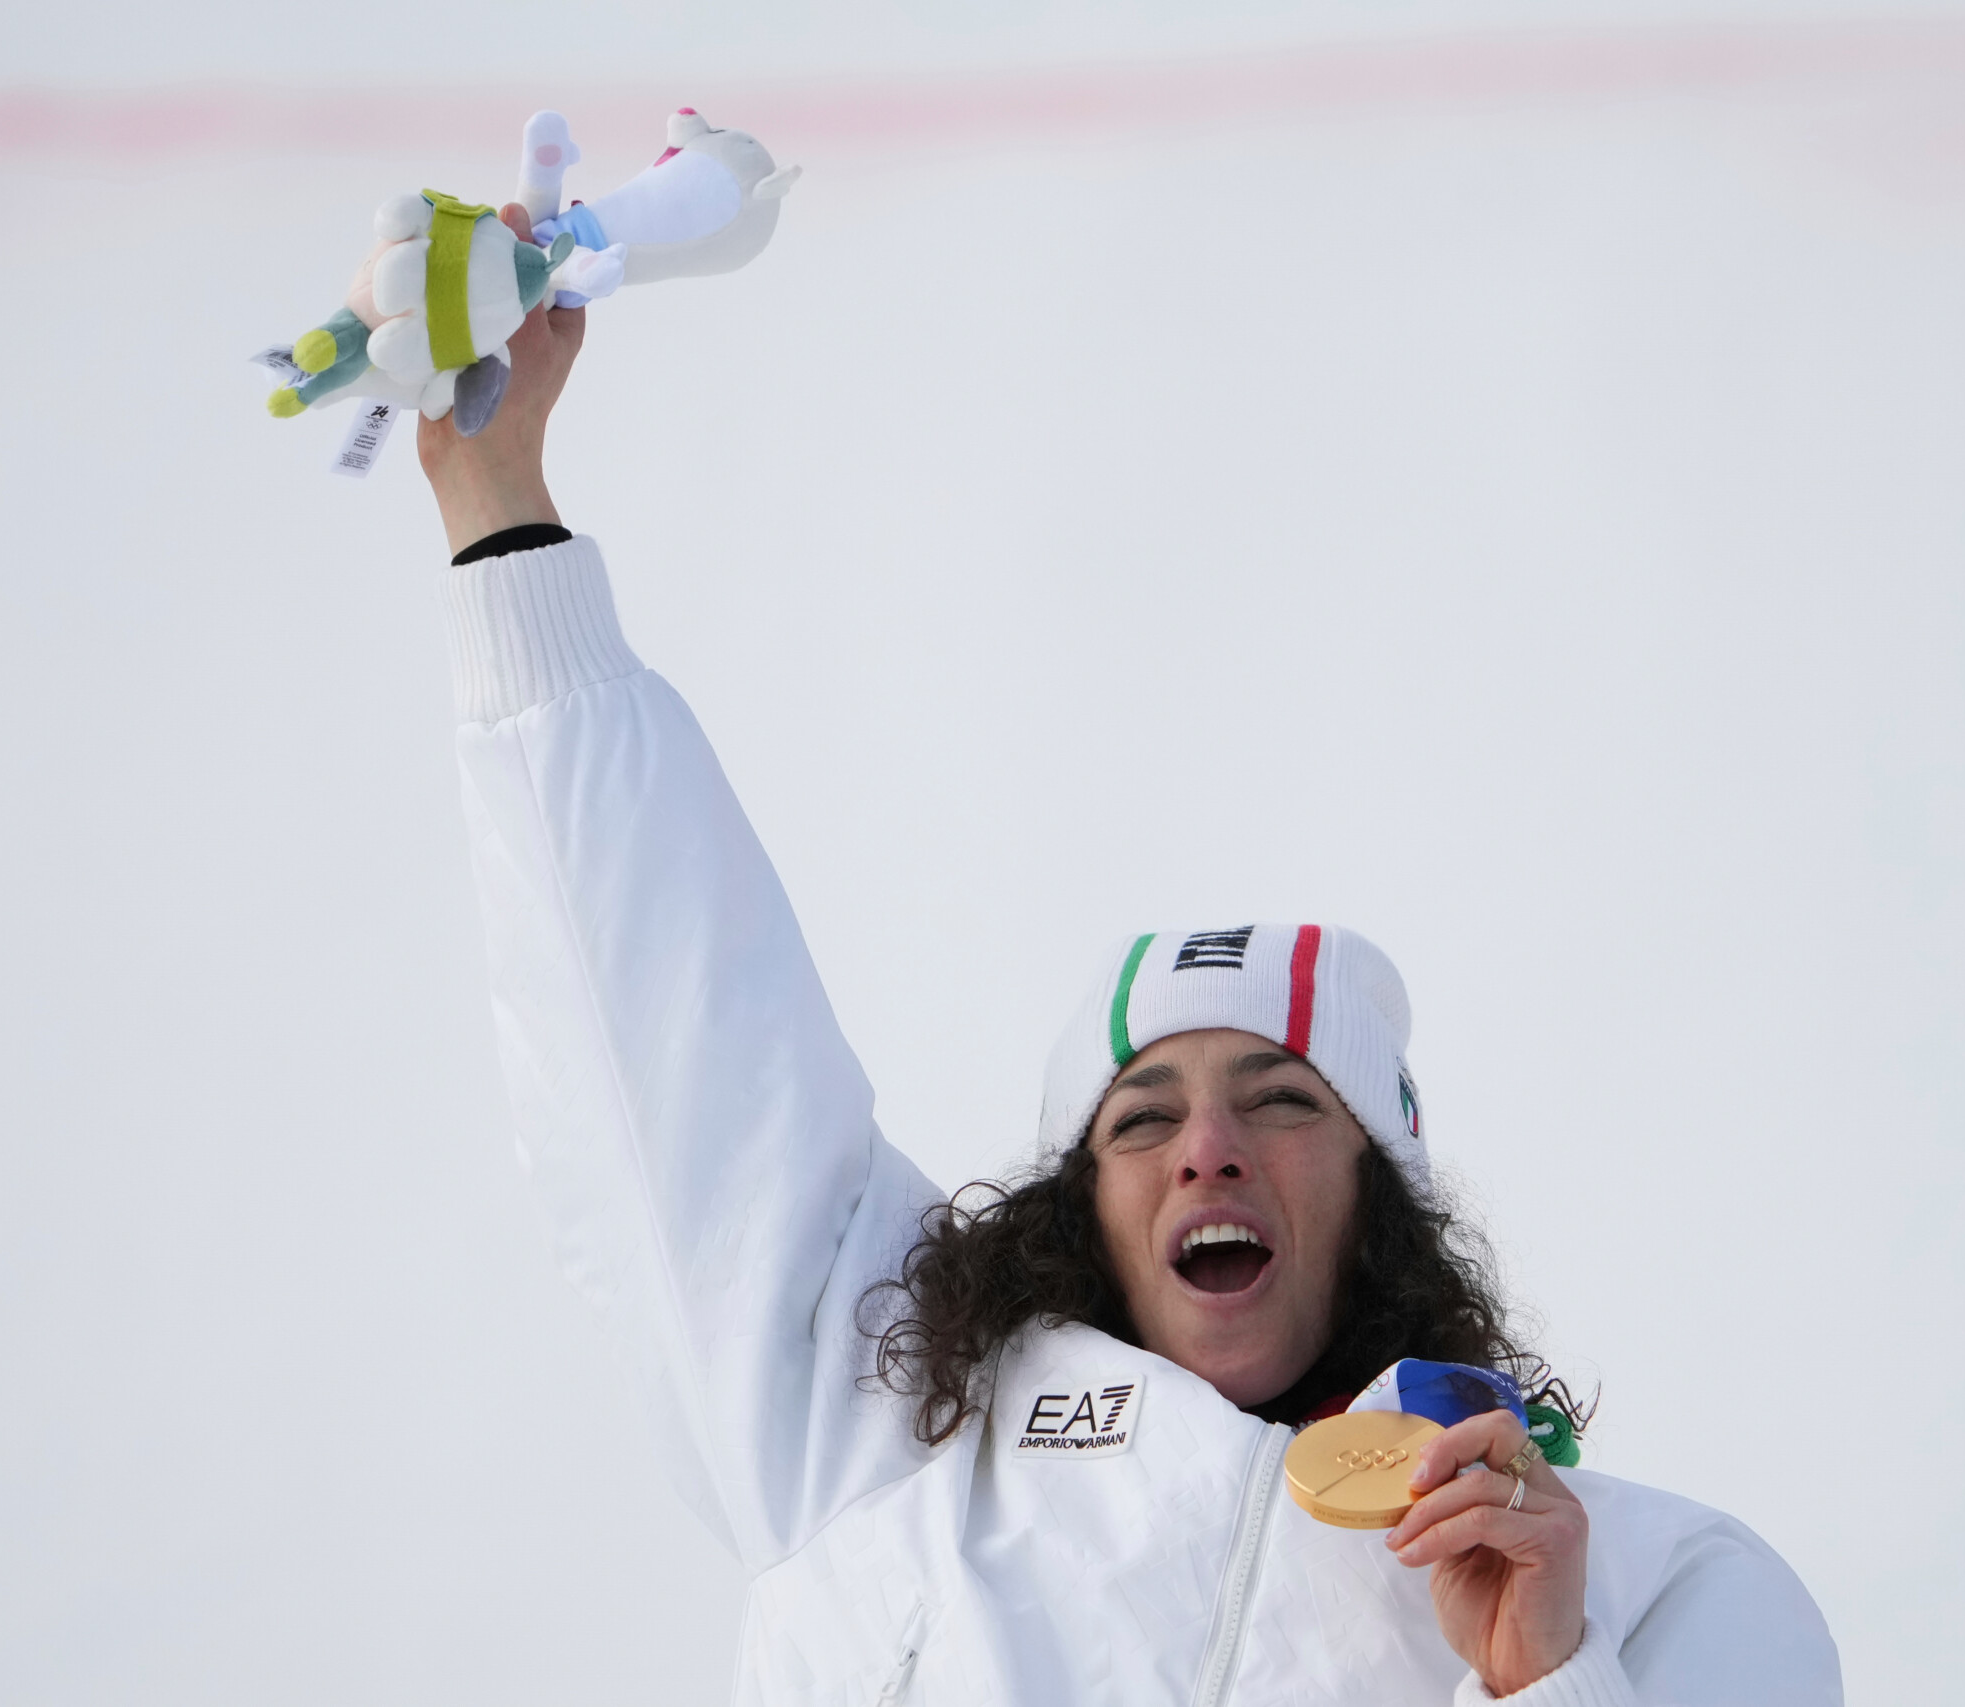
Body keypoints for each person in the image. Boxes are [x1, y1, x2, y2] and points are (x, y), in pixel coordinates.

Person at [419, 207, 1842, 1705]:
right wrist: (498, 503)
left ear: (1388, 1194)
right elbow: (675, 1031)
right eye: (1140, 1117)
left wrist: (1544, 1677)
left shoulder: (1661, 1582)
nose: (1206, 1147)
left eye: (1286, 1100)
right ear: (1070, 1213)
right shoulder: (869, 1439)